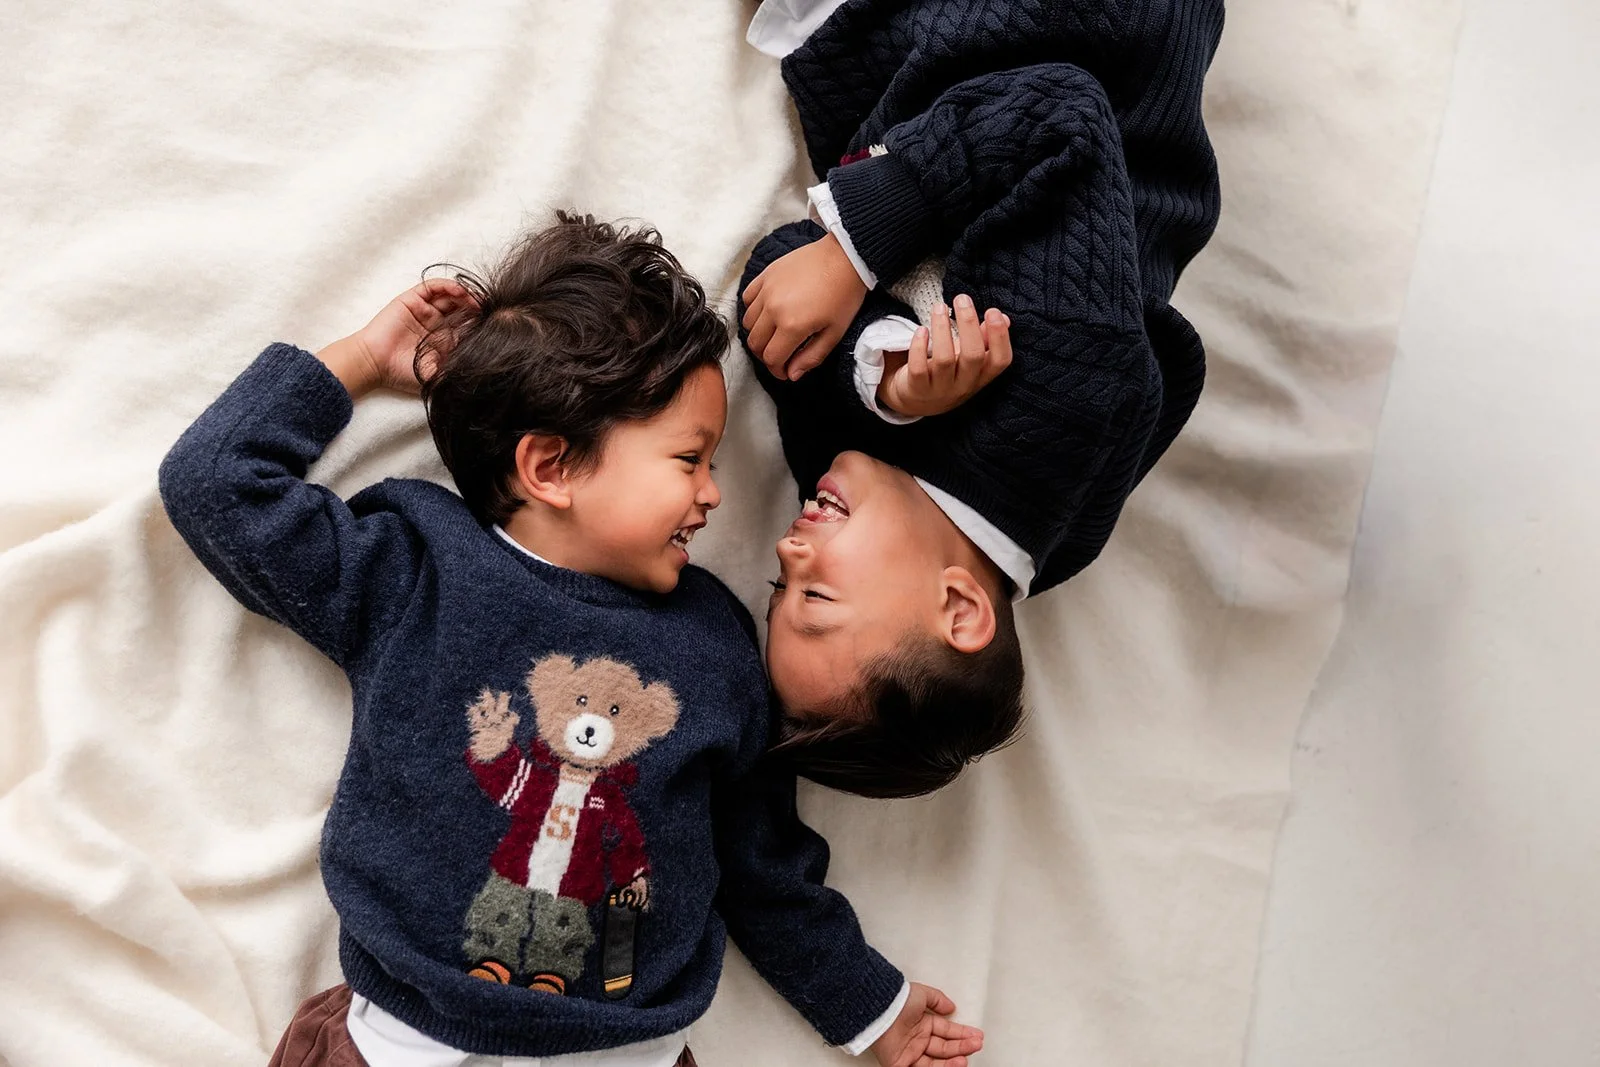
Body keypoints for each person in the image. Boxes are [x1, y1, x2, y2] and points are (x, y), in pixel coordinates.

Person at [159, 214, 983, 1067]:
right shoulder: (417, 571)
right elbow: (215, 482)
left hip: (624, 1048)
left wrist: (870, 1008)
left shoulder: (714, 641)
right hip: (410, 1037)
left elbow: (761, 862)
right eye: (690, 458)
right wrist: (363, 361)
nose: (713, 496)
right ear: (549, 467)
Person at [738, 0, 1225, 799]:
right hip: (1083, 34)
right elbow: (1059, 110)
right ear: (960, 609)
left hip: (909, 63)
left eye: (778, 589)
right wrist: (855, 253)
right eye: (817, 594)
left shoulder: (886, 487)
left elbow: (776, 305)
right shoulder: (1067, 399)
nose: (790, 554)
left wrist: (887, 377)